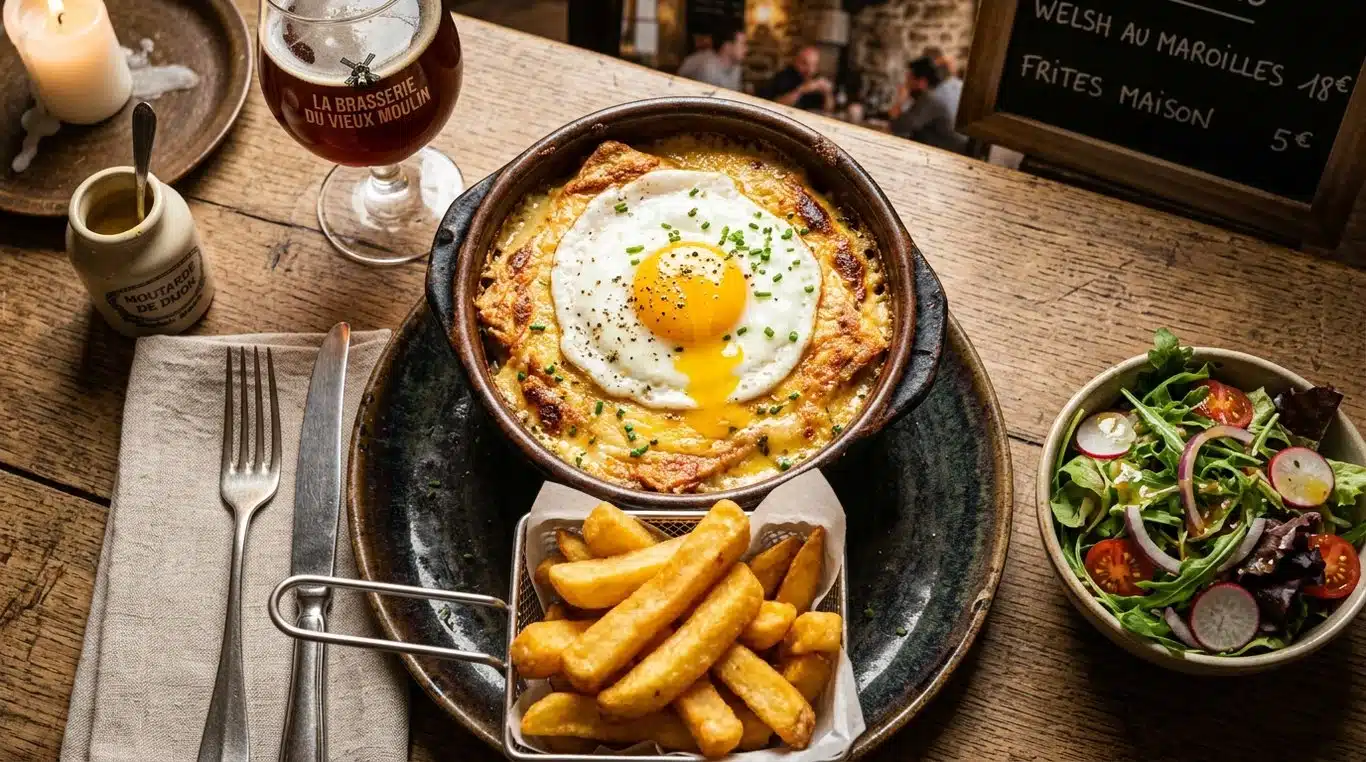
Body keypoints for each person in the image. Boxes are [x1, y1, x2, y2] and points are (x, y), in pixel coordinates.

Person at [890, 56, 969, 154]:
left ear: (922, 82)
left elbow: (898, 127)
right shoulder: (938, 91)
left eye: (909, 78)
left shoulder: (931, 99)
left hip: (949, 156)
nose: (906, 83)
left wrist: (900, 100)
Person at [759, 45, 833, 112]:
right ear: (796, 61)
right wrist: (802, 90)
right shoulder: (784, 76)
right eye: (805, 64)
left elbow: (829, 109)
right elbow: (775, 105)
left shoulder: (817, 77)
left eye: (814, 65)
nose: (810, 69)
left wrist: (827, 93)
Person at [676, 24, 747, 92]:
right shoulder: (708, 66)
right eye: (742, 44)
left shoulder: (736, 68)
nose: (746, 49)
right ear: (727, 46)